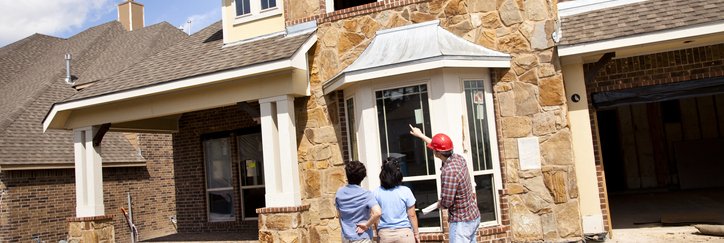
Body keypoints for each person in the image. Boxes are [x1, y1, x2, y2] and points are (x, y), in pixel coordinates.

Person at [409, 125, 480, 243]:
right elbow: (438, 145)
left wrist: (440, 203)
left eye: (434, 150)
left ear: (437, 153)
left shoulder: (448, 171)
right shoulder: (458, 158)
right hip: (473, 217)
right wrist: (421, 135)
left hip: (461, 223)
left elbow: (447, 202)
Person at [374, 157, 420, 243]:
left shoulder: (376, 192)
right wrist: (416, 233)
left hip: (385, 234)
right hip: (404, 234)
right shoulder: (405, 191)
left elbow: (376, 216)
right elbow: (412, 215)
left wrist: (378, 233)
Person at [336, 160, 382, 243]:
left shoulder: (339, 193)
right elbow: (377, 213)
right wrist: (367, 225)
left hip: (346, 237)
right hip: (362, 237)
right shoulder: (366, 194)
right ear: (362, 177)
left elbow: (339, 215)